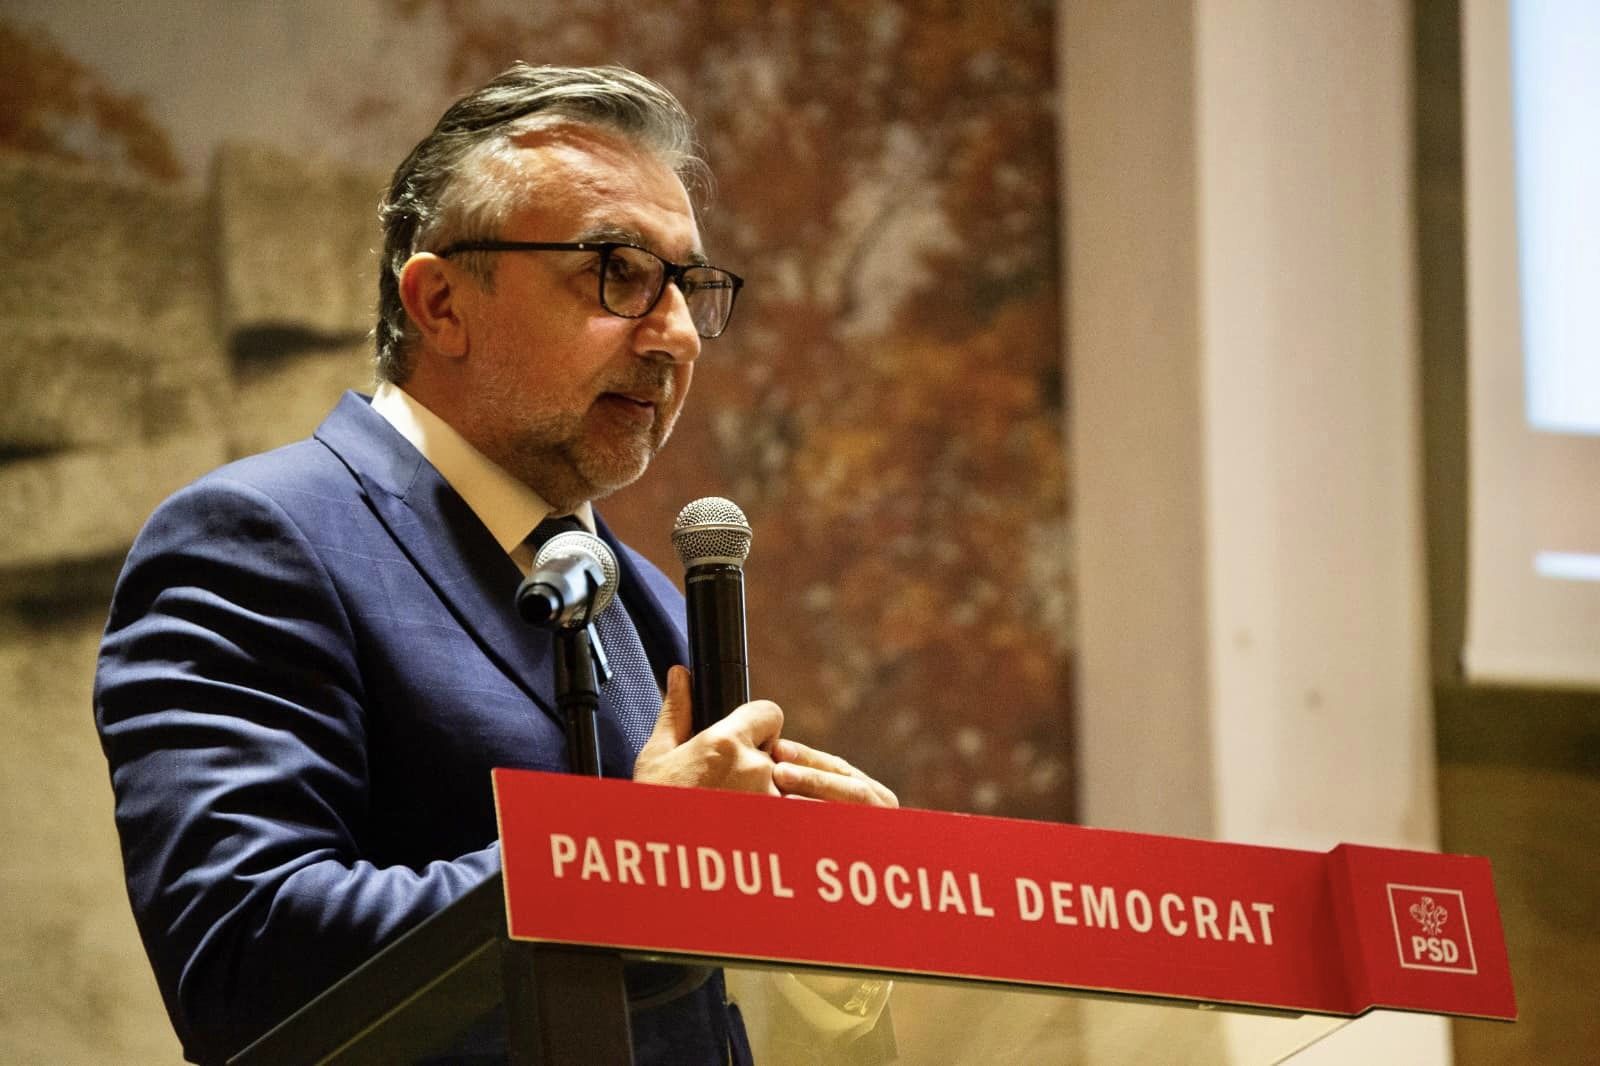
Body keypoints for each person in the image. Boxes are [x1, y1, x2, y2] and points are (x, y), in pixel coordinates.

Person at [94, 63, 896, 1065]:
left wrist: (836, 939)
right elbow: (242, 959)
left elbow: (682, 1001)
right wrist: (635, 858)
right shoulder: (254, 539)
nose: (678, 335)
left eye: (688, 285)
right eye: (617, 272)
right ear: (440, 303)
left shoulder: (650, 602)